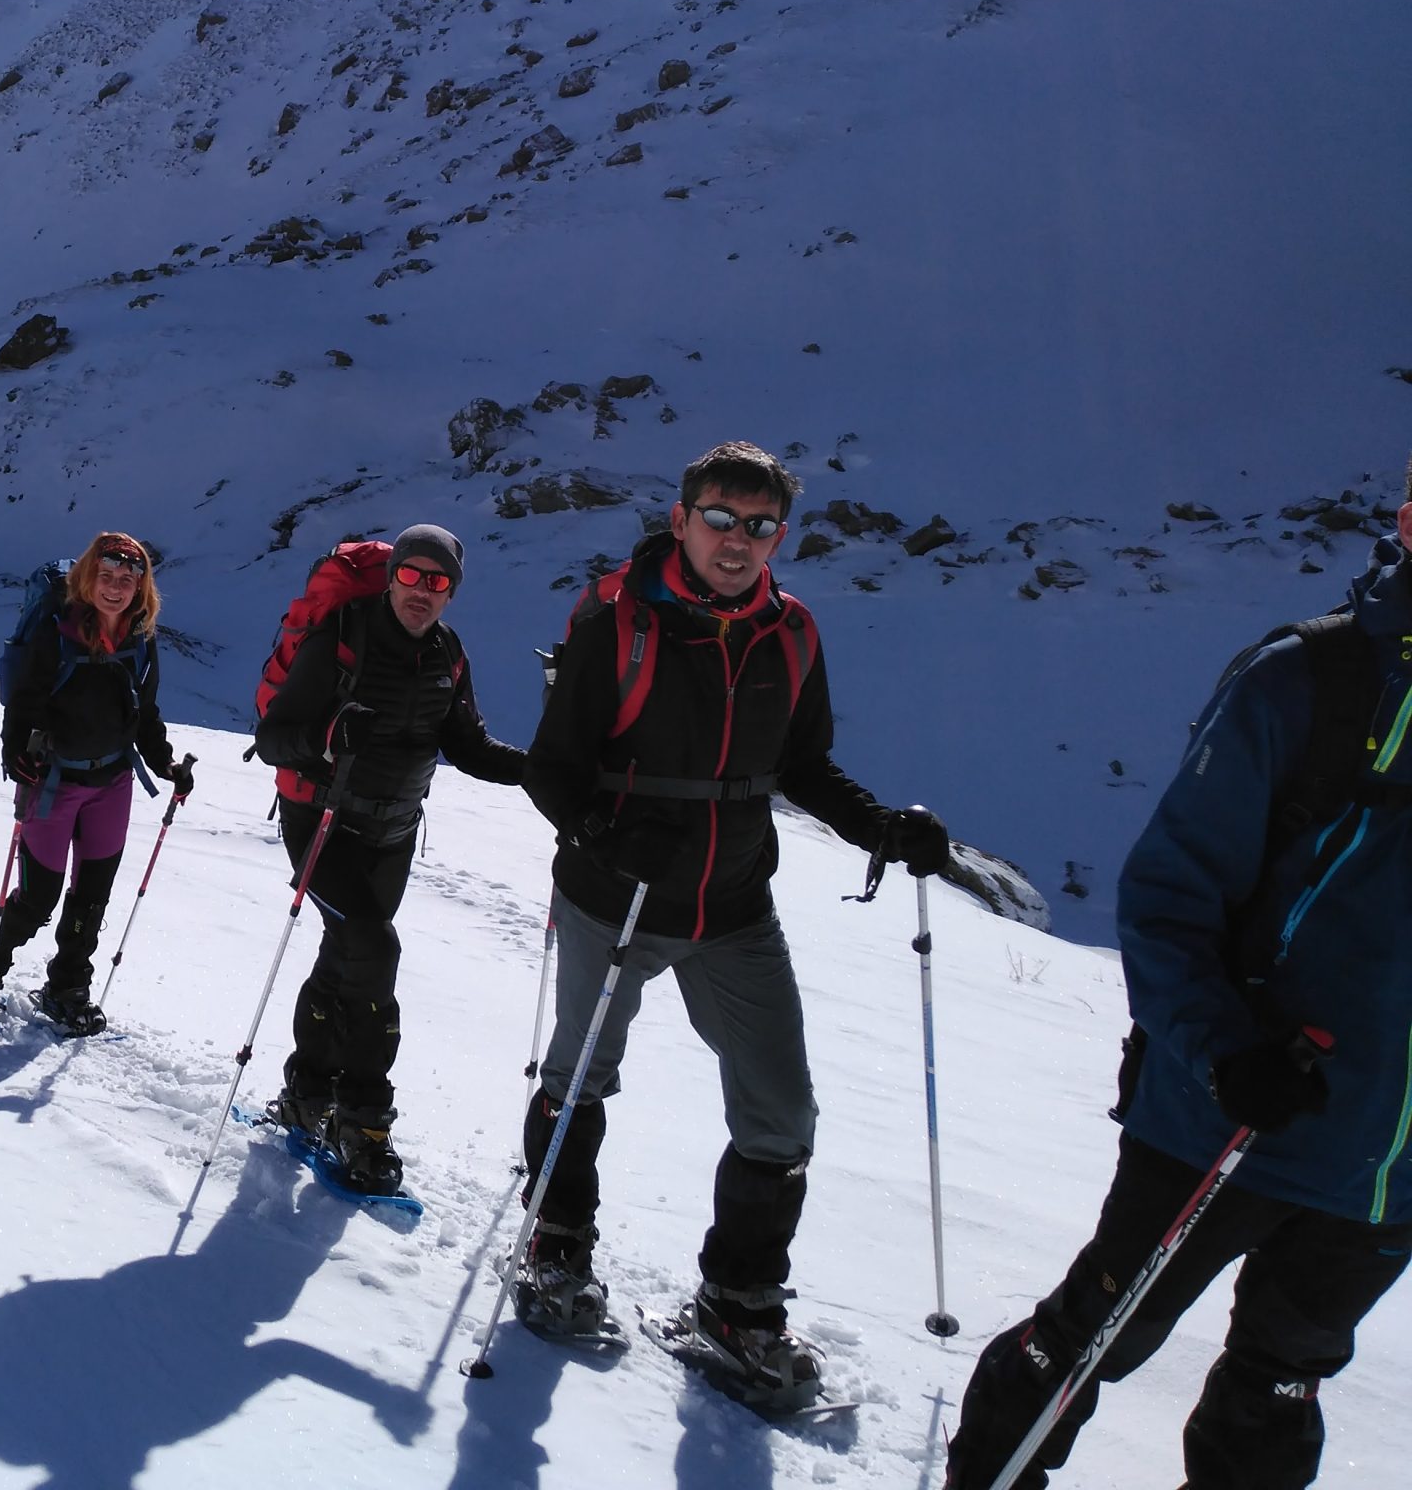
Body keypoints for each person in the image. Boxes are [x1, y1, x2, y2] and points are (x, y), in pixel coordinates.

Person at [944, 465, 1412, 1490]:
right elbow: (1164, 899)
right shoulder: (1308, 683)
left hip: (1383, 1171)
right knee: (1090, 1341)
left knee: (1279, 1391)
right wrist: (1225, 1050)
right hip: (1228, 1116)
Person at [512, 440, 949, 1393]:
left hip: (734, 905)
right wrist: (604, 834)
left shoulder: (789, 633)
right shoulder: (614, 620)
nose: (737, 540)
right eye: (719, 517)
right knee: (581, 1072)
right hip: (612, 899)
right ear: (681, 519)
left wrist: (881, 826)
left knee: (780, 1111)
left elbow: (802, 765)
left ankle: (739, 1301)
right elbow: (550, 768)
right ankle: (556, 1243)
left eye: (759, 526)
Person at [251, 523, 527, 1196]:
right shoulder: (342, 636)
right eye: (411, 576)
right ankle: (365, 1119)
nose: (421, 591)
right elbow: (272, 737)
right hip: (322, 824)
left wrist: (545, 771)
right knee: (376, 952)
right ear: (393, 574)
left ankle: (306, 1091)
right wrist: (325, 737)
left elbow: (466, 743)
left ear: (451, 594)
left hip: (394, 834)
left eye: (437, 583)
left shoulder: (447, 653)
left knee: (347, 956)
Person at [0, 532, 194, 1034]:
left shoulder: (142, 638)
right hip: (53, 781)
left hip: (113, 782)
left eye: (128, 579)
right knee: (38, 898)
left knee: (92, 896)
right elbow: (23, 700)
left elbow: (144, 712)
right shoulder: (58, 631)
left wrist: (166, 765)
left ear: (141, 587)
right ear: (88, 577)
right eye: (106, 576)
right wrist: (15, 750)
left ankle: (68, 985)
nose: (115, 588)